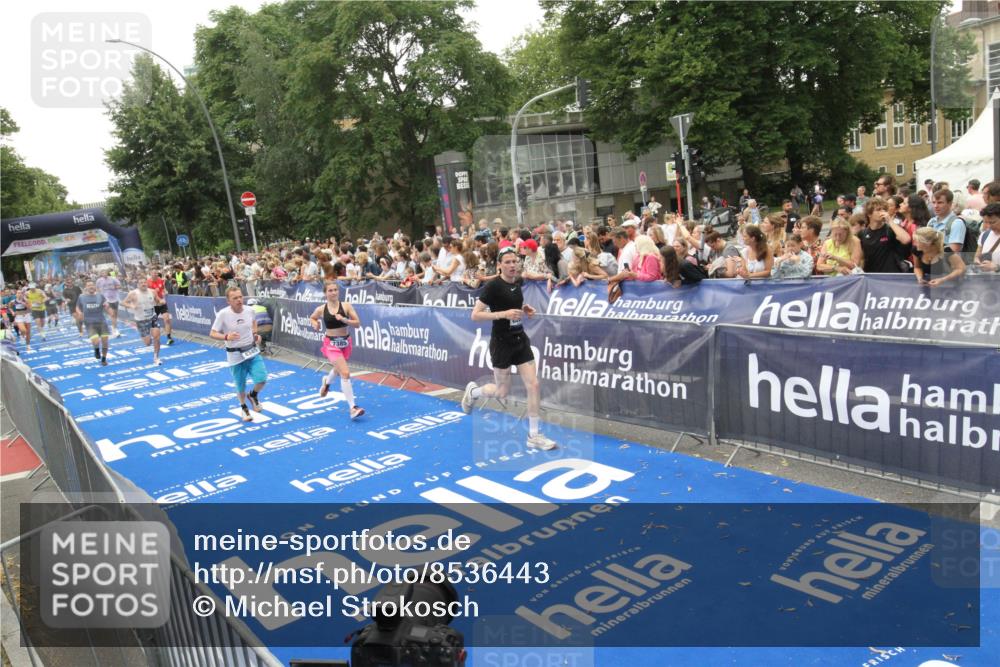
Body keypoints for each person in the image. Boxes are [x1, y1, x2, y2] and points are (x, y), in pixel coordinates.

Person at [461, 246, 557, 451]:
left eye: (515, 261)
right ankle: (474, 391)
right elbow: (475, 315)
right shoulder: (493, 286)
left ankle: (534, 435)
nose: (513, 265)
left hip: (519, 339)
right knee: (502, 391)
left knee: (534, 385)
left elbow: (511, 302)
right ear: (499, 265)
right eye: (508, 262)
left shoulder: (518, 281)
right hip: (501, 343)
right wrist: (503, 314)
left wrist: (524, 308)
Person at [210, 287, 267, 423]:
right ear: (228, 301)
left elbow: (253, 322)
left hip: (252, 351)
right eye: (235, 298)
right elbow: (212, 333)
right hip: (235, 355)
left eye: (240, 297)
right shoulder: (223, 314)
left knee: (262, 379)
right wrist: (226, 337)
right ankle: (243, 407)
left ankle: (253, 395)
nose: (239, 300)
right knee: (240, 386)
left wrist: (255, 334)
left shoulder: (249, 310)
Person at [309, 281, 364, 420]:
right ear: (325, 293)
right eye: (330, 290)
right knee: (345, 373)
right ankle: (353, 408)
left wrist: (344, 320)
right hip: (331, 344)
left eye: (335, 290)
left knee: (338, 369)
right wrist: (315, 324)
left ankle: (326, 383)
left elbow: (357, 324)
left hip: (345, 342)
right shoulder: (321, 309)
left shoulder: (346, 306)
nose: (333, 292)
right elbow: (312, 318)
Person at [122, 279, 164, 365]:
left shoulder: (152, 292)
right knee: (148, 343)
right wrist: (131, 306)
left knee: (156, 337)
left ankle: (156, 357)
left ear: (147, 283)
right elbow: (123, 303)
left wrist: (161, 301)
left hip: (152, 318)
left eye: (144, 282)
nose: (143, 284)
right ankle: (148, 337)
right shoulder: (133, 293)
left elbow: (158, 300)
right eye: (141, 283)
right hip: (141, 320)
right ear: (138, 284)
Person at [76, 280, 112, 365]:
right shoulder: (81, 297)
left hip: (101, 322)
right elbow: (77, 307)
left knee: (105, 342)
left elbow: (106, 304)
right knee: (96, 342)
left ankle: (104, 359)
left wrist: (107, 306)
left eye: (92, 285)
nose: (91, 287)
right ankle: (96, 350)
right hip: (90, 323)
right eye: (89, 285)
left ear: (95, 287)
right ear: (86, 287)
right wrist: (79, 313)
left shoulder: (100, 296)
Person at [147, 269, 175, 345]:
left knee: (167, 319)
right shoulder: (148, 282)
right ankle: (150, 335)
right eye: (154, 273)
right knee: (152, 322)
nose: (155, 274)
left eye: (156, 273)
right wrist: (158, 300)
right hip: (153, 305)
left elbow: (163, 289)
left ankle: (169, 338)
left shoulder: (161, 280)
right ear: (150, 274)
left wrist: (165, 292)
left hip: (162, 304)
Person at [973, 202, 1000, 273]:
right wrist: (977, 262)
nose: (989, 226)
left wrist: (996, 267)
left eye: (993, 222)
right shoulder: (985, 235)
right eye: (986, 222)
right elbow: (977, 256)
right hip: (986, 278)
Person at [95, 270, 122, 337]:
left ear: (107, 273)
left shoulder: (113, 279)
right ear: (101, 274)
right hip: (105, 300)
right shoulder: (99, 281)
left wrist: (114, 287)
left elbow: (120, 286)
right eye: (102, 273)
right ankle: (115, 330)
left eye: (105, 273)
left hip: (115, 298)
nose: (104, 274)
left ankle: (114, 328)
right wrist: (99, 296)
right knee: (112, 314)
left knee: (115, 315)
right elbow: (97, 288)